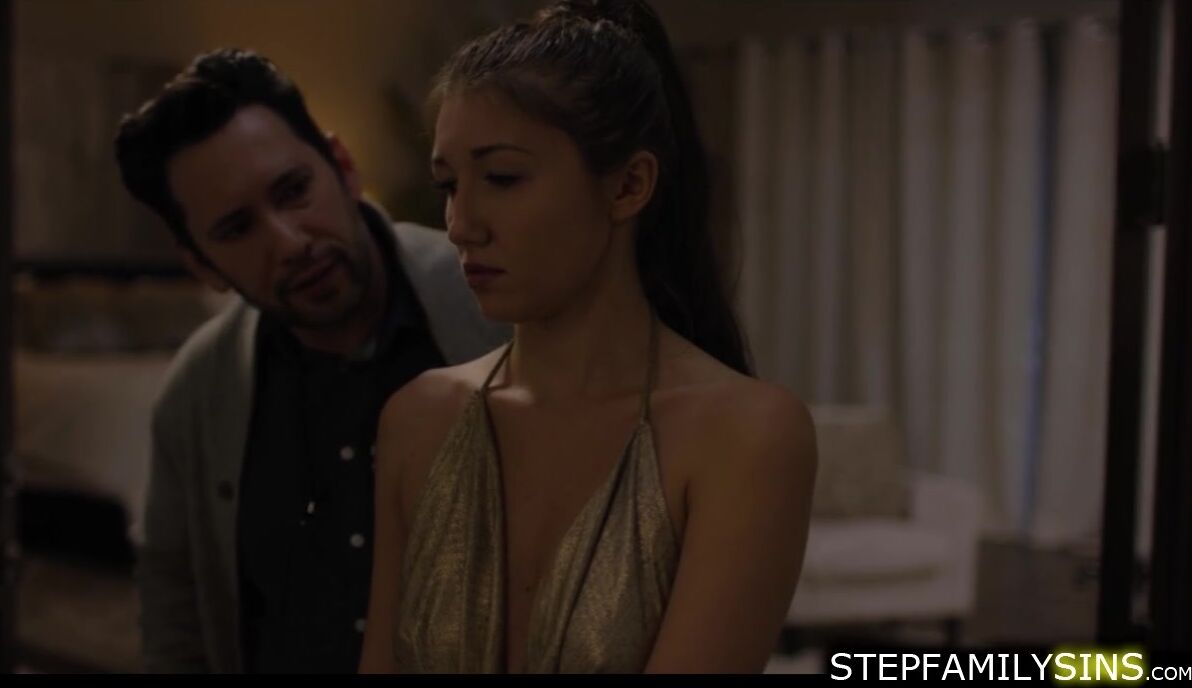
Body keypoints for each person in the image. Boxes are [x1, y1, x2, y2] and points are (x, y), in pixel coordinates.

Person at [359, 0, 817, 674]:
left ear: (628, 185)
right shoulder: (418, 418)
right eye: (448, 185)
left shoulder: (744, 436)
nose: (459, 223)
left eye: (502, 178)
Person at [114, 48, 508, 673]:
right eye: (237, 228)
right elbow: (175, 622)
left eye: (294, 191)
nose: (290, 242)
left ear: (342, 167)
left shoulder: (499, 309)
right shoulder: (197, 394)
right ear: (201, 264)